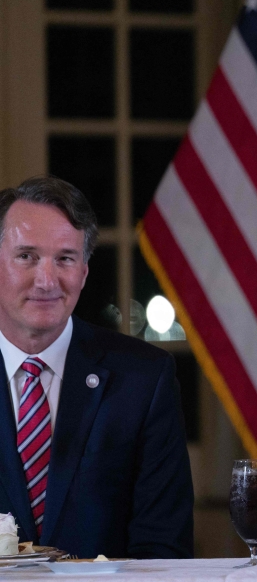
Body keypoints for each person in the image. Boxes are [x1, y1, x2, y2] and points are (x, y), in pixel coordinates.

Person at [0, 176, 193, 558]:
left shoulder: (144, 379)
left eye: (65, 259)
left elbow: (163, 548)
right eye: (26, 257)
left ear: (84, 272)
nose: (46, 279)